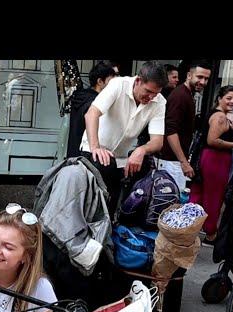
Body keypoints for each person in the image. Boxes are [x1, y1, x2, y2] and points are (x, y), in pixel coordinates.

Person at [80, 60, 168, 217]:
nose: (151, 97)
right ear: (138, 80)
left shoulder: (159, 101)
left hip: (120, 158)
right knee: (89, 203)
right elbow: (92, 113)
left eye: (155, 93)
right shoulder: (118, 84)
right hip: (94, 149)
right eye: (148, 91)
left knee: (111, 204)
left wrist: (141, 150)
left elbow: (157, 141)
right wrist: (95, 147)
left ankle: (109, 235)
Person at [189, 86, 233, 245]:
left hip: (209, 157)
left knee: (198, 193)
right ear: (219, 98)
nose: (232, 101)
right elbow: (212, 140)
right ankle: (211, 233)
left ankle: (187, 229)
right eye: (229, 98)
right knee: (213, 196)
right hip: (216, 159)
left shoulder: (218, 114)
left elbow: (231, 127)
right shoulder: (220, 116)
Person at [156, 60, 212, 192]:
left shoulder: (187, 94)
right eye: (199, 77)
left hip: (175, 161)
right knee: (171, 206)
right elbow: (170, 131)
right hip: (171, 162)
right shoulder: (180, 95)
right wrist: (183, 162)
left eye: (206, 79)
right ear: (189, 75)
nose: (203, 82)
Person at [66, 61, 118, 158]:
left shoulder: (81, 97)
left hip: (75, 155)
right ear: (100, 82)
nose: (117, 85)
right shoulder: (96, 103)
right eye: (113, 81)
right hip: (90, 156)